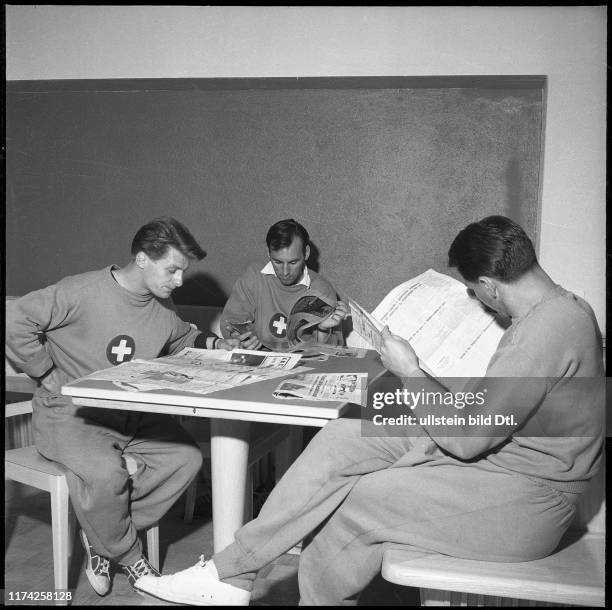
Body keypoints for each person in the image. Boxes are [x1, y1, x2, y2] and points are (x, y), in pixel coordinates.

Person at [134, 215, 603, 606]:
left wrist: (412, 371)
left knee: (360, 498)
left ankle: (244, 577)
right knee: (349, 432)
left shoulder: (543, 330)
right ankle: (233, 573)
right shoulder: (560, 311)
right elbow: (491, 411)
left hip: (529, 503)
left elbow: (469, 436)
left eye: (472, 291)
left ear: (489, 285)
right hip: (502, 463)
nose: (475, 299)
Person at [5, 216, 238, 597]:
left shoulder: (161, 307)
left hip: (128, 417)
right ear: (144, 258)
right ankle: (130, 556)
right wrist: (44, 371)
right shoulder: (80, 291)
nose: (179, 280)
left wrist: (215, 345)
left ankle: (101, 538)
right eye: (173, 270)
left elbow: (182, 336)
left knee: (185, 460)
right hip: (69, 415)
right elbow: (15, 318)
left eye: (182, 272)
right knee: (107, 477)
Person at [219, 218, 348, 351]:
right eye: (278, 262)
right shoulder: (254, 277)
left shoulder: (321, 290)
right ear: (268, 253)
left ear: (306, 253)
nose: (285, 272)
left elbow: (331, 352)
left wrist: (323, 329)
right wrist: (239, 338)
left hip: (303, 362)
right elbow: (230, 321)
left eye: (293, 263)